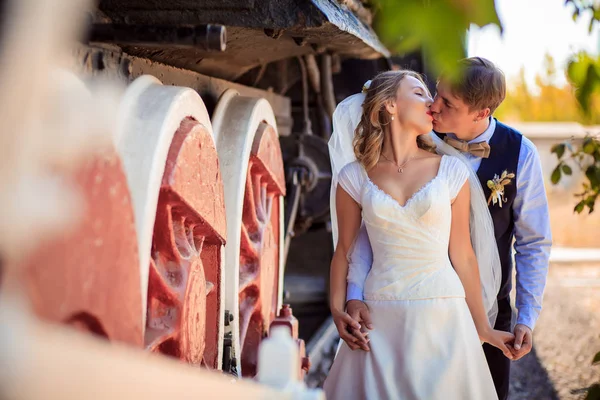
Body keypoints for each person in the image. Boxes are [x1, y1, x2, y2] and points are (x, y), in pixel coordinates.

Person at [340, 57, 552, 400]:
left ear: (481, 113)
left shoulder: (520, 154)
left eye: (447, 103)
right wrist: (354, 294)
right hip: (408, 307)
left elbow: (533, 243)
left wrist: (526, 317)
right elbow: (378, 224)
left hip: (488, 306)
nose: (433, 106)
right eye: (435, 93)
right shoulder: (416, 136)